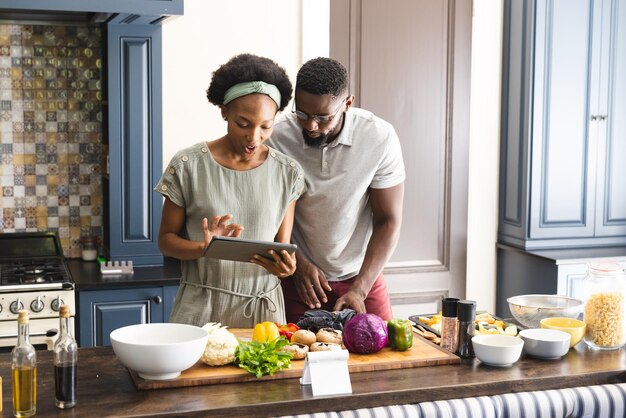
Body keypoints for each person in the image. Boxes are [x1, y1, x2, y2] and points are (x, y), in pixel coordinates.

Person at [155, 54, 306, 328]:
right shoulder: (188, 166)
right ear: (224, 111)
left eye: (265, 127)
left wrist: (288, 268)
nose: (254, 138)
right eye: (243, 124)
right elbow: (166, 241)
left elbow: (283, 248)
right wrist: (205, 248)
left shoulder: (288, 173)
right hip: (201, 310)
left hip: (264, 315)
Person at [268, 57, 405, 322]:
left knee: (384, 355)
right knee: (300, 357)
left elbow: (389, 220)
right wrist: (296, 264)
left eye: (323, 117)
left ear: (348, 104)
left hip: (361, 275)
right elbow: (265, 214)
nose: (311, 126)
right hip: (300, 277)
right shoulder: (276, 137)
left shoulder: (379, 137)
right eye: (303, 114)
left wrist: (361, 289)